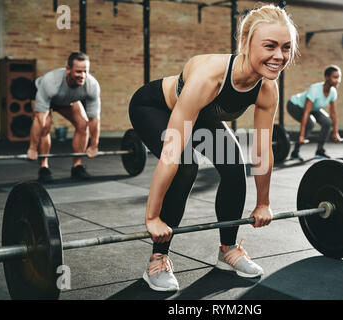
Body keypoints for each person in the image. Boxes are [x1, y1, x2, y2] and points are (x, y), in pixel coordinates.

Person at [128, 4, 299, 292]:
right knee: (185, 165)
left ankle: (227, 251)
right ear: (244, 43)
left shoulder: (267, 88)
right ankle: (158, 258)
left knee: (234, 166)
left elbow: (261, 149)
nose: (279, 56)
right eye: (269, 46)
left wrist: (263, 203)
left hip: (201, 118)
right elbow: (172, 150)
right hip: (153, 108)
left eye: (286, 47)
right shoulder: (210, 76)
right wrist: (152, 217)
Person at [26, 52, 101, 182]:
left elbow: (94, 118)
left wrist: (94, 145)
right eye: (78, 71)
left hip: (68, 99)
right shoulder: (51, 82)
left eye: (85, 71)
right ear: (68, 69)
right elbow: (40, 119)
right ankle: (44, 166)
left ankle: (77, 166)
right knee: (45, 125)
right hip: (43, 94)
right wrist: (32, 148)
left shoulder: (92, 85)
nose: (82, 75)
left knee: (83, 124)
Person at [287, 65, 342, 160]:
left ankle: (320, 151)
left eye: (339, 77)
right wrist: (301, 136)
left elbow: (333, 113)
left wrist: (335, 132)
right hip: (295, 105)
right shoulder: (315, 89)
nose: (338, 80)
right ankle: (295, 153)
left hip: (314, 108)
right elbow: (306, 112)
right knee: (310, 123)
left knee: (327, 122)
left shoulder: (333, 92)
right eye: (335, 77)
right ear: (327, 77)